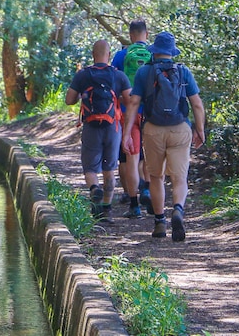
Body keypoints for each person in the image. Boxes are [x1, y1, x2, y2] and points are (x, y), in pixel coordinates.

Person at [122, 31, 205, 241]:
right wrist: (200, 130)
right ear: (172, 52)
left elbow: (133, 103)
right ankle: (178, 209)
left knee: (156, 176)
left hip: (153, 130)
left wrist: (126, 134)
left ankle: (160, 222)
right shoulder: (183, 71)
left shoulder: (143, 72)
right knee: (179, 178)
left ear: (155, 51)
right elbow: (196, 103)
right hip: (180, 129)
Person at [66, 39, 131, 223]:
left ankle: (94, 189)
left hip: (91, 126)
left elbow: (69, 100)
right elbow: (129, 100)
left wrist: (82, 94)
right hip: (113, 126)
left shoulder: (83, 75)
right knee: (109, 167)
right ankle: (106, 210)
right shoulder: (118, 76)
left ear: (93, 55)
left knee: (90, 167)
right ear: (109, 55)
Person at [111, 19, 152, 218]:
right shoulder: (154, 54)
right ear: (147, 33)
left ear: (130, 35)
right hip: (152, 115)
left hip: (129, 114)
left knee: (132, 159)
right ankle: (149, 190)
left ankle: (134, 205)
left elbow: (113, 84)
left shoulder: (121, 55)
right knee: (152, 157)